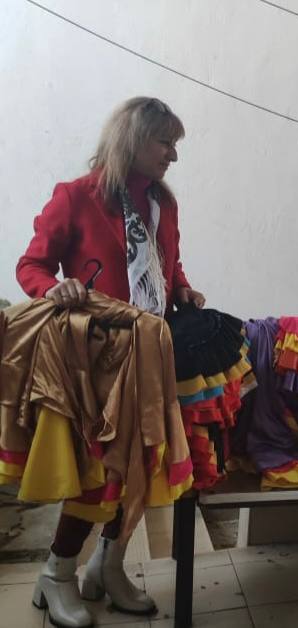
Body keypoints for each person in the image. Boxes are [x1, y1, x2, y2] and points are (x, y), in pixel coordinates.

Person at [16, 97, 204, 628]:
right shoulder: (77, 197)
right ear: (133, 140)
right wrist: (53, 288)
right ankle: (57, 573)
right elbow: (31, 265)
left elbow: (168, 266)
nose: (172, 155)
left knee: (140, 468)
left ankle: (108, 564)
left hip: (151, 355)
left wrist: (183, 290)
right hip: (95, 362)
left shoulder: (163, 203)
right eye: (165, 142)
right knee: (96, 472)